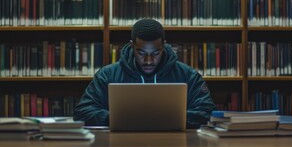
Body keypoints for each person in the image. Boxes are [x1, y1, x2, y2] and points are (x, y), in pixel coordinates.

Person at [73, 19, 217, 128]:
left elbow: (208, 112)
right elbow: (83, 111)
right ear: (132, 46)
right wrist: (115, 119)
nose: (149, 61)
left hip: (174, 146)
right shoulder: (107, 75)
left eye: (155, 53)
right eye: (141, 53)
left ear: (164, 46)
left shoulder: (188, 76)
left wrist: (165, 120)